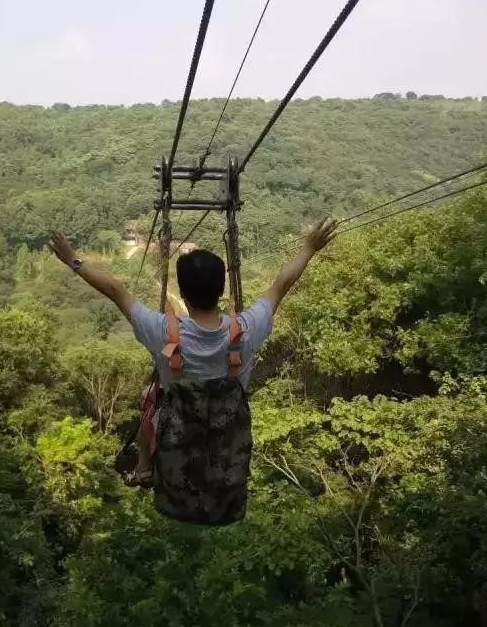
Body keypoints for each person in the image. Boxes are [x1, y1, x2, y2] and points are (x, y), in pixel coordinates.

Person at [49, 216, 338, 522]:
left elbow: (115, 290)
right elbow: (281, 285)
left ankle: (145, 467)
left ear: (184, 295)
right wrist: (309, 248)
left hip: (177, 436)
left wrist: (73, 260)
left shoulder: (161, 331)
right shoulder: (247, 329)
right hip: (225, 440)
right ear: (220, 290)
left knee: (151, 398)